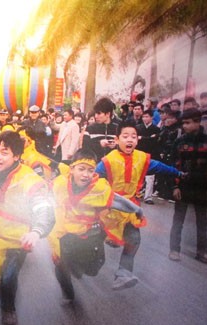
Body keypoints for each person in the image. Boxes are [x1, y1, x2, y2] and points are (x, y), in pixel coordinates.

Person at [0, 131, 55, 325]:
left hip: (17, 238)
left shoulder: (29, 179)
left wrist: (36, 232)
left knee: (8, 277)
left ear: (17, 156)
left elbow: (44, 208)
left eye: (4, 152)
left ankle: (8, 308)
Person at [96, 121, 183, 290]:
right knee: (96, 241)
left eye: (133, 137)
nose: (130, 140)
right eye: (125, 136)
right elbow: (92, 177)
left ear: (137, 140)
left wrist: (178, 173)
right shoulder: (108, 161)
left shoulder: (142, 158)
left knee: (134, 239)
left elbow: (160, 167)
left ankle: (123, 273)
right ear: (117, 139)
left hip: (130, 208)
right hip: (109, 207)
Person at [48, 150, 143, 303]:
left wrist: (137, 209)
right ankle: (68, 293)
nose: (86, 174)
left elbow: (116, 200)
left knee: (93, 269)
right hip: (64, 233)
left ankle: (77, 266)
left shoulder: (98, 187)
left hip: (90, 233)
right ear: (72, 169)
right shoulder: (59, 184)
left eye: (90, 170)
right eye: (81, 169)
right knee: (60, 262)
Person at [168, 109, 207, 264]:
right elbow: (174, 165)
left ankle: (202, 252)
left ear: (197, 121)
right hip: (183, 186)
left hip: (201, 187)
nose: (184, 126)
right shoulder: (179, 142)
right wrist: (175, 187)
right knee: (178, 219)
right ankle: (174, 249)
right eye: (183, 123)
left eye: (188, 123)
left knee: (202, 221)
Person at [136, 110, 161, 205]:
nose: (145, 119)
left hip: (151, 154)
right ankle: (137, 193)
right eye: (144, 117)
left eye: (147, 116)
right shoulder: (138, 128)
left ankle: (148, 197)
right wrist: (149, 138)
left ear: (151, 118)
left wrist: (142, 138)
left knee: (150, 176)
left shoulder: (156, 129)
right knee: (138, 175)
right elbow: (137, 140)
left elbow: (155, 141)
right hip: (139, 153)